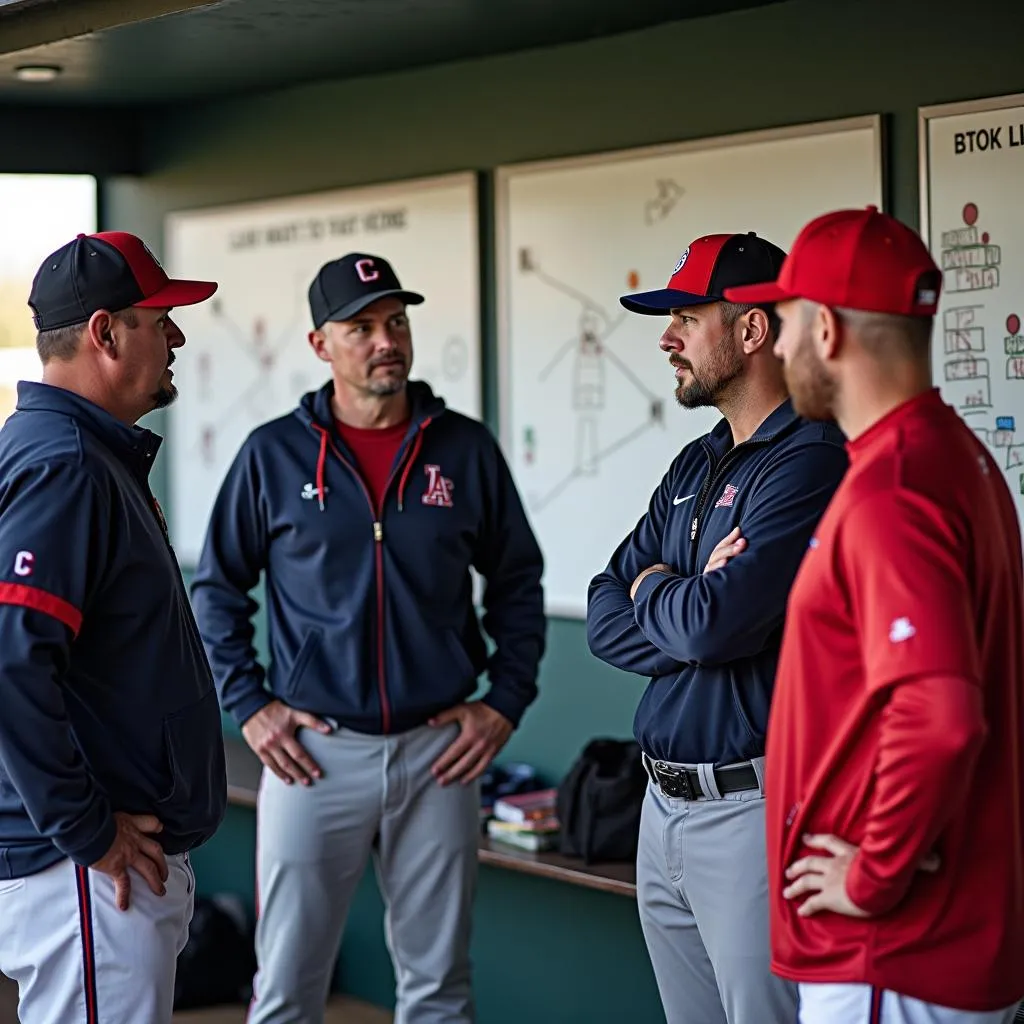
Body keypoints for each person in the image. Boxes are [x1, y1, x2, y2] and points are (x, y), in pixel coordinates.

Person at [191, 251, 546, 1023]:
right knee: (286, 986)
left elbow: (519, 581)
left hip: (439, 755)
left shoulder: (464, 449)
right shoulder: (274, 456)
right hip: (314, 756)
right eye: (361, 327)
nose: (386, 340)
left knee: (439, 986)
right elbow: (217, 588)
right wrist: (250, 703)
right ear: (322, 345)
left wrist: (505, 702)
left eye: (396, 322)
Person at [724, 205, 1024, 1024]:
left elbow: (941, 717)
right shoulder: (955, 456)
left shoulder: (894, 486)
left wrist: (872, 875)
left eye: (782, 324)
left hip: (894, 951)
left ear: (825, 329)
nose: (776, 350)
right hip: (935, 942)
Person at [587, 231, 849, 1024]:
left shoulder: (810, 458)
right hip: (659, 805)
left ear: (752, 329)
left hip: (754, 812)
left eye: (686, 317)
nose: (667, 337)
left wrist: (665, 590)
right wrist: (683, 595)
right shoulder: (696, 462)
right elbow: (605, 613)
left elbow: (712, 627)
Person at [0, 231, 227, 1024]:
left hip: (95, 865)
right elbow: (12, 665)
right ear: (104, 333)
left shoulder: (72, 451)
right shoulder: (64, 462)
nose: (177, 336)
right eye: (158, 318)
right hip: (90, 872)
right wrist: (86, 830)